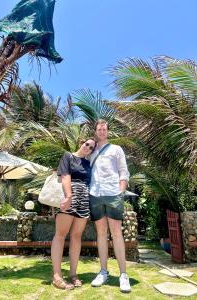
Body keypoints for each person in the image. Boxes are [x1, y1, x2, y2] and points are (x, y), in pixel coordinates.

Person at [89, 119, 131, 293]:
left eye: (104, 129)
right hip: (95, 194)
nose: (101, 131)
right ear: (95, 131)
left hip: (113, 193)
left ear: (108, 131)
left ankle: (123, 275)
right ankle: (103, 272)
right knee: (101, 233)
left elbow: (123, 171)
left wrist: (120, 192)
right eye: (99, 129)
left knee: (116, 233)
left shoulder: (116, 149)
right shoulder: (90, 150)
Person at [51, 138, 96, 290]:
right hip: (69, 195)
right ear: (81, 143)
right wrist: (69, 196)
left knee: (77, 236)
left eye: (91, 148)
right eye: (87, 144)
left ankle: (73, 274)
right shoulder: (68, 156)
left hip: (84, 199)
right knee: (60, 235)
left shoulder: (88, 164)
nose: (88, 148)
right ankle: (57, 276)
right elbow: (65, 176)